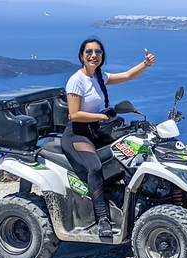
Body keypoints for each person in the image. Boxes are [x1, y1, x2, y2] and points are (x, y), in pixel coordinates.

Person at [61, 37, 156, 237]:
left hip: (98, 131)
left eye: (98, 52)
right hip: (78, 133)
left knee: (129, 155)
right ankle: (102, 220)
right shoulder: (76, 81)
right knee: (95, 167)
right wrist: (101, 116)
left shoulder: (99, 77)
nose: (94, 55)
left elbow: (128, 75)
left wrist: (145, 64)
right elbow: (74, 114)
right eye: (89, 52)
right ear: (81, 56)